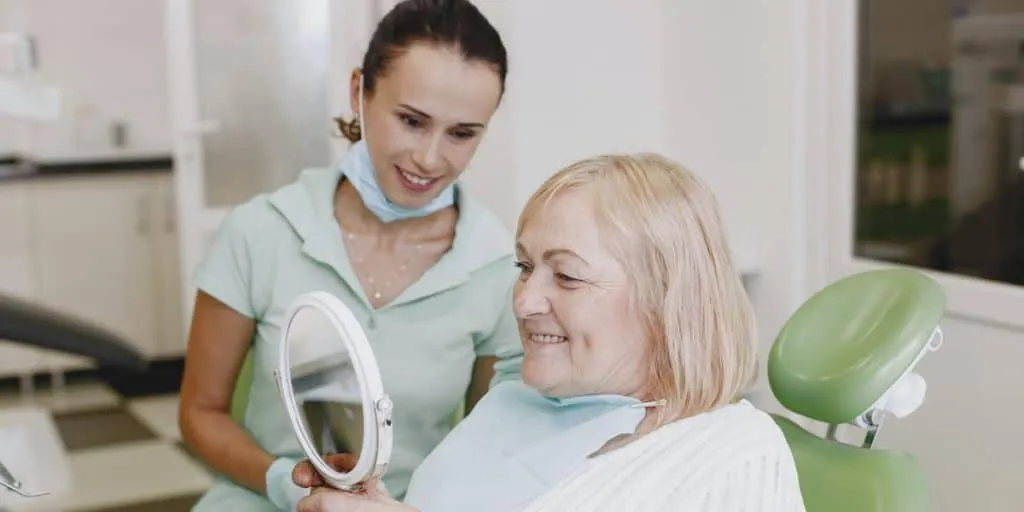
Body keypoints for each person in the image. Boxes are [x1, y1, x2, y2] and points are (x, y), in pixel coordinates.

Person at [289, 153, 807, 512]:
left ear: (667, 301)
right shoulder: (516, 405)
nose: (524, 301)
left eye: (567, 276)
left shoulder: (732, 453)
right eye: (524, 267)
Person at [178, 1, 522, 510]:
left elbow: (487, 443)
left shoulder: (498, 268)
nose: (429, 158)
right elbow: (200, 413)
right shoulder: (261, 231)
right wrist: (288, 486)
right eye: (411, 120)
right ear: (359, 92)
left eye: (462, 133)